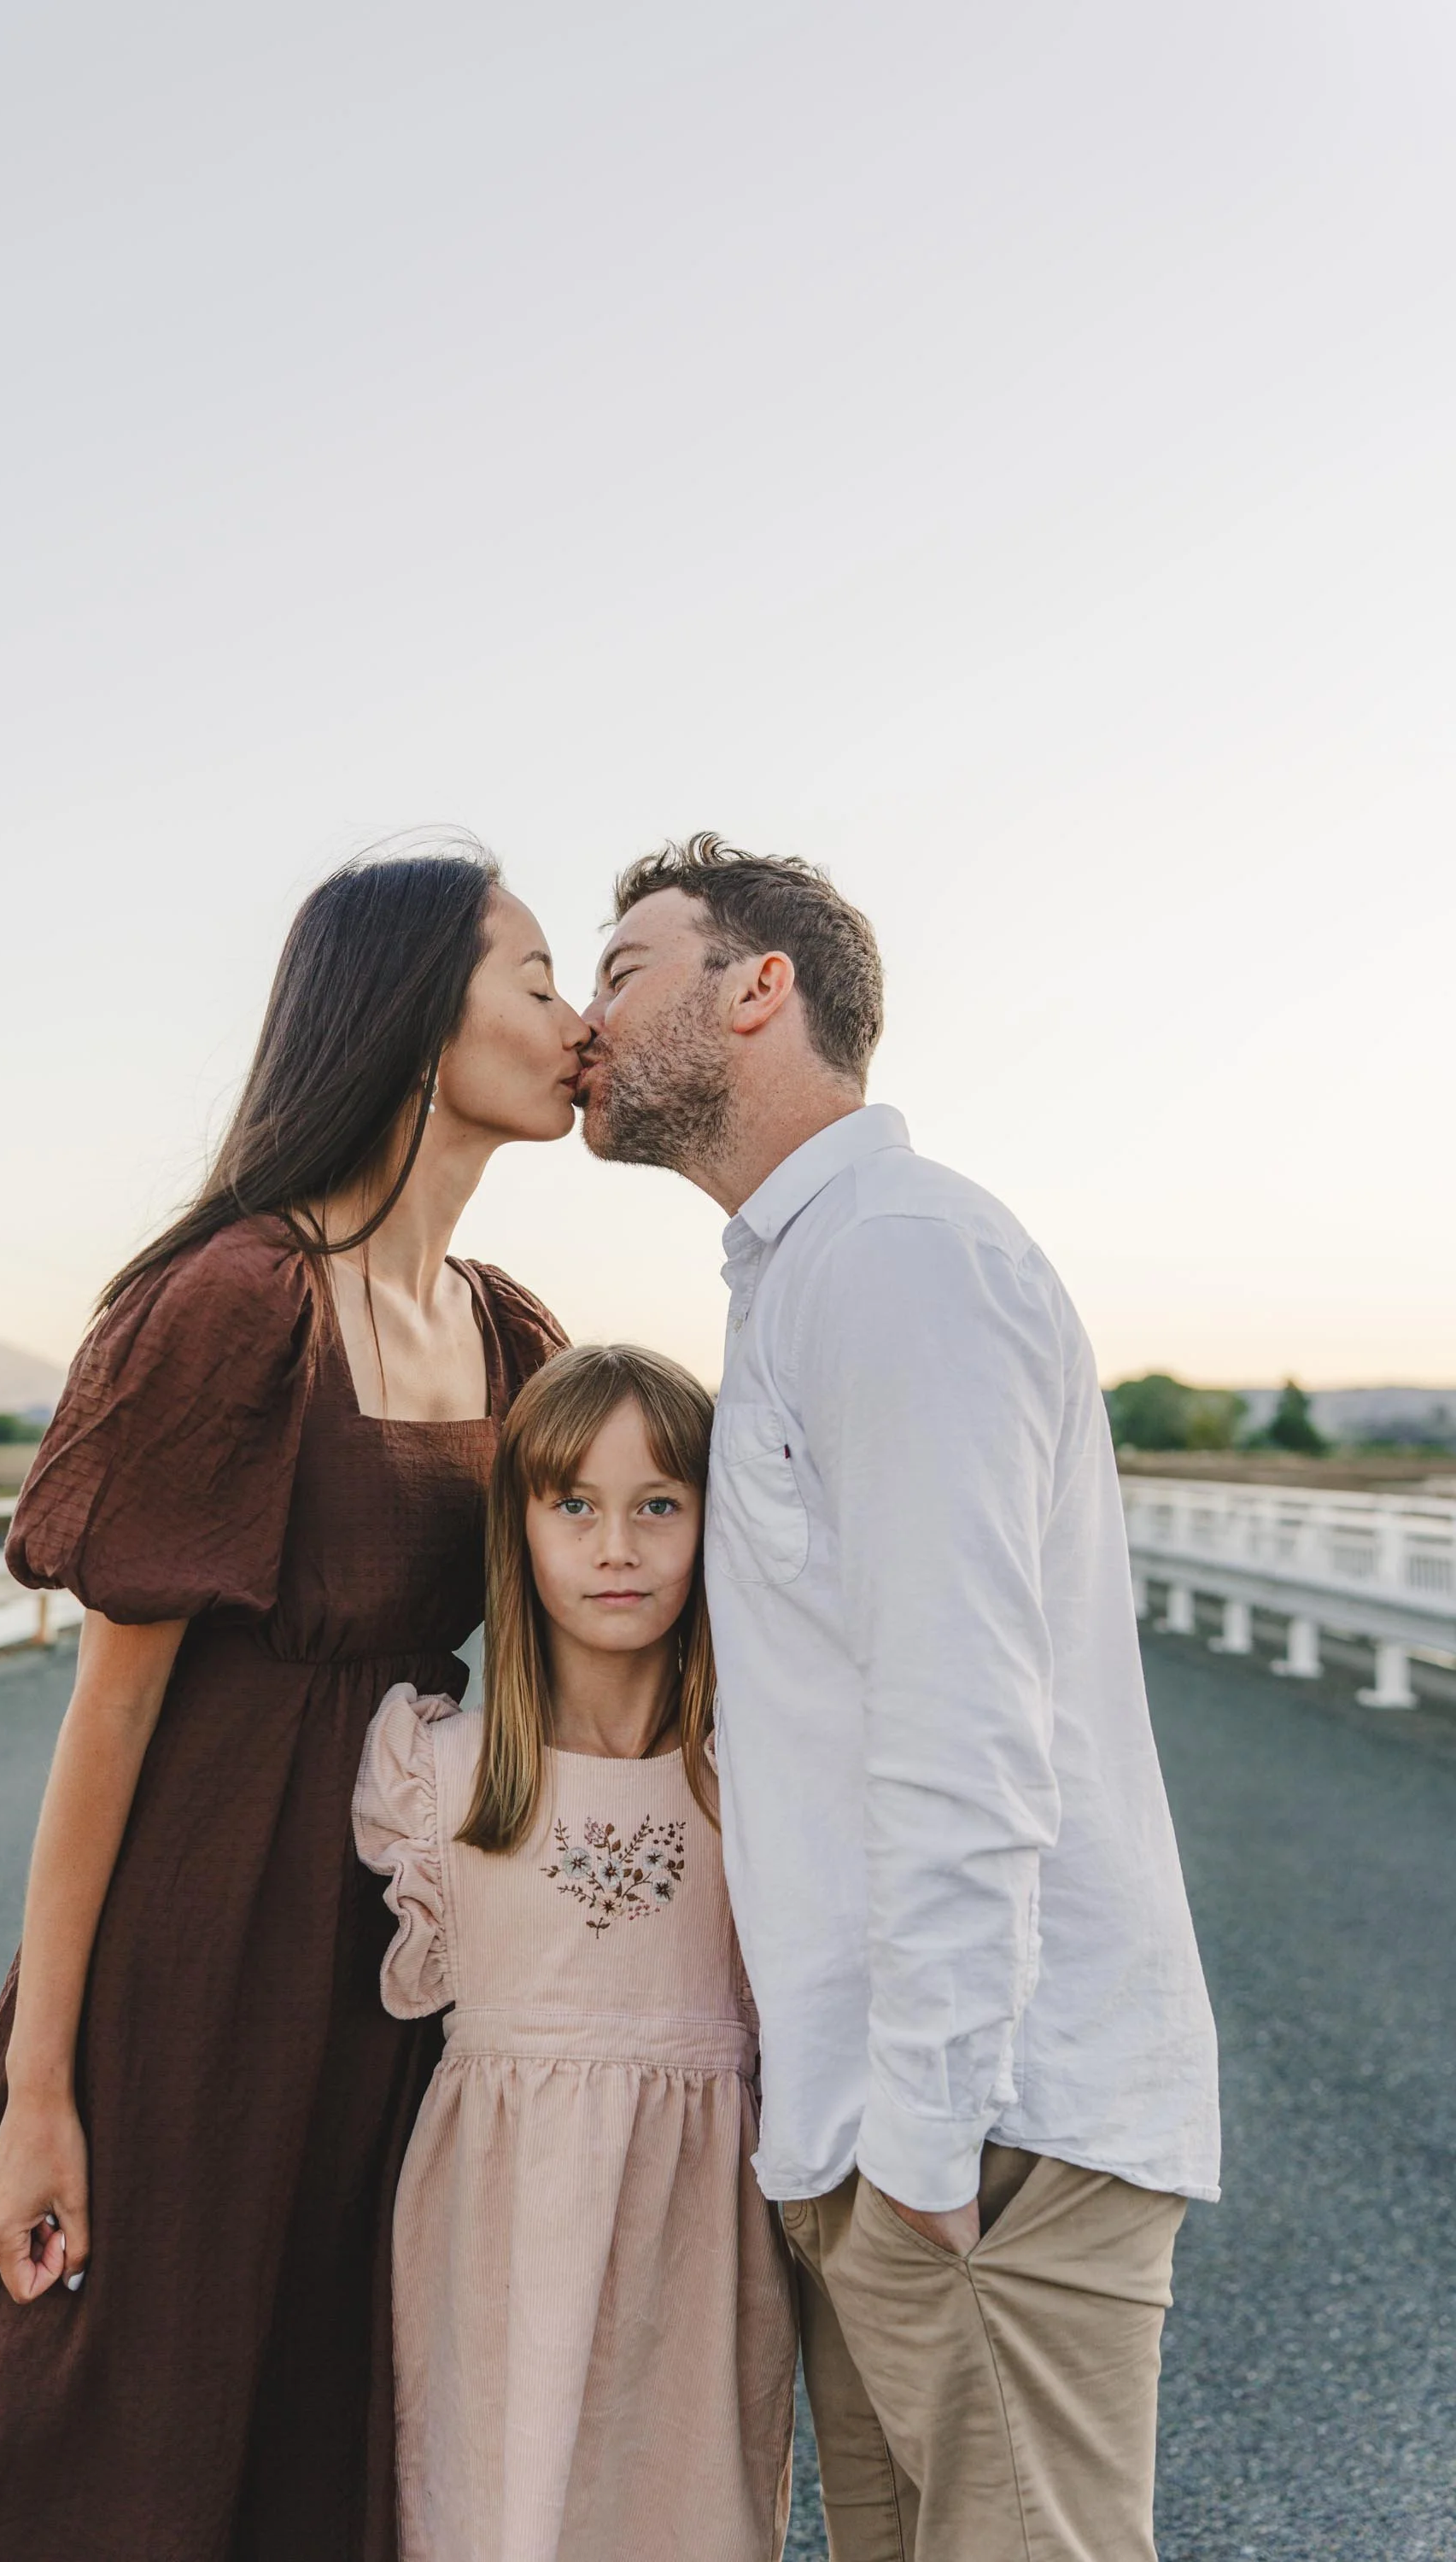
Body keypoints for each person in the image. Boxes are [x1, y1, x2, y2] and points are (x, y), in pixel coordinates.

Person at [0, 839, 588, 2562]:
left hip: (395, 1959)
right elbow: (106, 1725)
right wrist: (40, 2095)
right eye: (536, 980)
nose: (573, 1019)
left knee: (318, 2423)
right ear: (409, 1020)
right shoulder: (235, 1302)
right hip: (198, 1950)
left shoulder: (507, 1331)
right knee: (104, 2438)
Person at [578, 834, 1221, 2562]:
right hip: (887, 2134)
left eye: (627, 965)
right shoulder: (802, 1273)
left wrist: (926, 2138)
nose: (587, 1010)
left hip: (980, 2136)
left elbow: (963, 1731)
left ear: (757, 988)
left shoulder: (899, 1261)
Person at [353, 1343, 797, 2562]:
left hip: (698, 2239)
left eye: (660, 1504)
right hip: (496, 2234)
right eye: (575, 1507)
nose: (619, 1547)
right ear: (521, 1529)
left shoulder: (750, 1777)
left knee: (687, 2512)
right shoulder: (437, 1775)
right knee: (494, 2513)